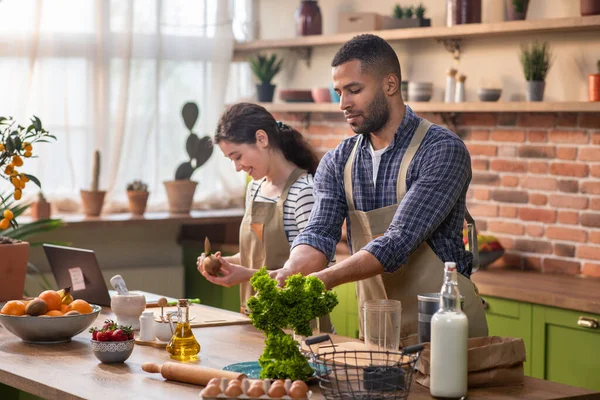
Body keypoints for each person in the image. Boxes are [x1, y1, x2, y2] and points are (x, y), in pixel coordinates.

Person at [272, 34, 488, 345]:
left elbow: (398, 241)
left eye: (354, 90)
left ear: (390, 85)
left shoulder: (441, 150)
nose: (344, 103)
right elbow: (319, 233)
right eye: (339, 92)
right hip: (377, 334)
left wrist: (325, 279)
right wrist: (291, 271)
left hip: (447, 332)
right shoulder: (338, 161)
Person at [196, 102, 332, 333]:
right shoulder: (255, 189)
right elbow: (256, 256)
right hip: (257, 319)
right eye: (231, 160)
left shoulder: (304, 192)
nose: (237, 167)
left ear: (262, 139)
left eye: (237, 156)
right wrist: (226, 264)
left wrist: (247, 276)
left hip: (298, 327)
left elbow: (316, 269)